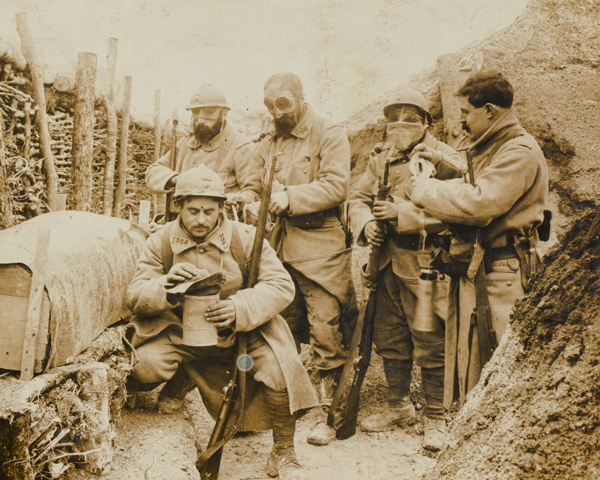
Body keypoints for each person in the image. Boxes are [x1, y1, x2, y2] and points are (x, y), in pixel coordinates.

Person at [125, 165, 318, 480]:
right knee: (143, 365)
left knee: (279, 368)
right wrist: (168, 288)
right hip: (181, 333)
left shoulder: (245, 238)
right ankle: (181, 377)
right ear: (178, 207)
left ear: (221, 209)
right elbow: (135, 295)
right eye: (192, 211)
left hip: (240, 334)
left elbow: (281, 286)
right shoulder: (160, 241)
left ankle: (284, 450)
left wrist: (239, 307)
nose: (200, 219)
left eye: (208, 211)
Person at [407, 71, 549, 399]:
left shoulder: (519, 151)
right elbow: (476, 181)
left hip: (503, 276)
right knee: (474, 361)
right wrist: (442, 171)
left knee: (499, 368)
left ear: (489, 111)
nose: (461, 123)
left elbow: (482, 202)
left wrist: (424, 190)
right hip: (485, 270)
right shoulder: (498, 146)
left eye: (466, 113)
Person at [348, 89, 464, 451]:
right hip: (383, 262)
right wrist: (366, 223)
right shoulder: (380, 158)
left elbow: (459, 208)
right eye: (393, 116)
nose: (400, 122)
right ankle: (398, 406)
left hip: (425, 263)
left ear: (426, 122)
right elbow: (357, 198)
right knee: (390, 339)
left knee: (429, 338)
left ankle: (436, 416)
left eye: (410, 116)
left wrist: (406, 216)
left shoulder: (446, 159)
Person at [247, 72, 357, 446]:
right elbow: (251, 181)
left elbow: (337, 184)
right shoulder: (269, 142)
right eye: (269, 105)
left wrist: (290, 198)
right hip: (279, 247)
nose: (276, 112)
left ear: (299, 98)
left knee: (326, 329)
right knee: (281, 328)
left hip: (320, 246)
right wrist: (250, 199)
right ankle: (284, 406)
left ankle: (333, 416)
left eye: (283, 104)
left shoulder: (329, 132)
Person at [145, 83, 257, 217]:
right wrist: (177, 179)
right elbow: (153, 171)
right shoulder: (186, 143)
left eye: (209, 111)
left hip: (219, 227)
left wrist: (234, 199)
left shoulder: (241, 147)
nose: (201, 118)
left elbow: (254, 193)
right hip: (180, 224)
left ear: (224, 113)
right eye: (196, 111)